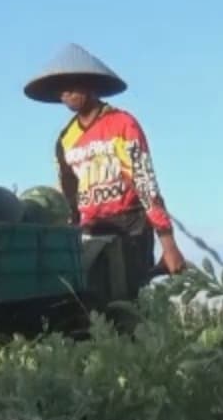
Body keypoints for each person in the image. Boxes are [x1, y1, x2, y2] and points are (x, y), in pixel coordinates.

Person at [23, 43, 187, 299]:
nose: (65, 94)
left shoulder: (122, 125)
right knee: (96, 306)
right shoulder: (66, 139)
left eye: (71, 85)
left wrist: (169, 244)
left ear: (90, 86)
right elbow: (68, 196)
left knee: (129, 303)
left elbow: (145, 183)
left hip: (131, 227)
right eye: (60, 89)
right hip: (91, 231)